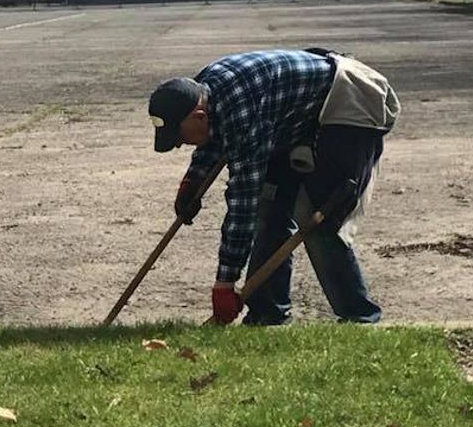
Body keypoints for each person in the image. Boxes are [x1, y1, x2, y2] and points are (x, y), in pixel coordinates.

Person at [147, 49, 399, 326]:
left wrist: (225, 282)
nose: (180, 143)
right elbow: (215, 136)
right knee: (270, 209)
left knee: (317, 217)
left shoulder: (240, 108)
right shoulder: (201, 94)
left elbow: (243, 199)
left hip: (349, 104)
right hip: (293, 117)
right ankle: (268, 314)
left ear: (198, 115)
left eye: (178, 135)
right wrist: (191, 183)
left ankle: (360, 317)